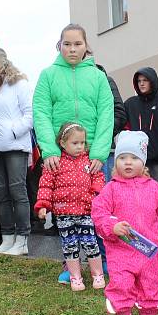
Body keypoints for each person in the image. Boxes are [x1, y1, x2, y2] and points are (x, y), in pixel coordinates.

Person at [32, 24, 114, 282]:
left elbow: (106, 115)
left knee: (96, 210)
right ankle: (71, 266)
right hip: (61, 156)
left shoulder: (98, 77)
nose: (72, 49)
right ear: (60, 46)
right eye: (67, 44)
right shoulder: (48, 75)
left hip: (91, 157)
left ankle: (101, 264)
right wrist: (49, 150)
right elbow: (41, 113)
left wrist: (99, 154)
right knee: (68, 214)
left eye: (77, 44)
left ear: (85, 46)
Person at [91, 131, 158, 315]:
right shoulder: (111, 189)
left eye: (134, 158)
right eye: (122, 158)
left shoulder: (154, 188)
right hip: (121, 253)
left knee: (150, 287)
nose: (128, 163)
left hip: (149, 252)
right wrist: (113, 226)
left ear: (143, 162)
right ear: (116, 161)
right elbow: (99, 213)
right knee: (121, 285)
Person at [35, 122, 105, 290]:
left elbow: (98, 177)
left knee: (90, 243)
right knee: (70, 245)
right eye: (75, 143)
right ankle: (75, 277)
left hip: (85, 212)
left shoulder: (89, 160)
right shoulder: (55, 162)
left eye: (82, 143)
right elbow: (46, 185)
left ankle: (98, 274)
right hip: (63, 214)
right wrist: (43, 205)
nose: (80, 147)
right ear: (62, 143)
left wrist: (97, 191)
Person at [0, 47, 34, 256]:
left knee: (17, 192)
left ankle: (22, 240)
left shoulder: (18, 84)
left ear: (2, 62)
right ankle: (7, 238)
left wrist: (12, 132)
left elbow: (30, 115)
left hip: (14, 147)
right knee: (0, 194)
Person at [123, 67, 158, 187]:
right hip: (136, 159)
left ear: (152, 81)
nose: (141, 83)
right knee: (136, 194)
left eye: (145, 80)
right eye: (139, 81)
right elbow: (125, 130)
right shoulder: (130, 104)